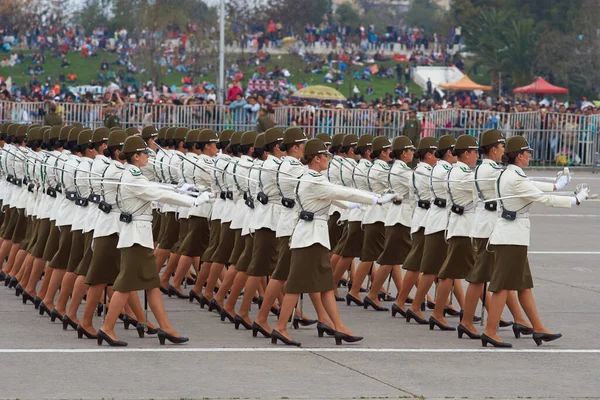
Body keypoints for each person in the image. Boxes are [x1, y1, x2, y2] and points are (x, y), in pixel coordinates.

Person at [271, 139, 391, 346]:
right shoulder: (315, 180)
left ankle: (339, 326)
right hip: (308, 239)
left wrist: (355, 205)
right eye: (325, 156)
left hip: (314, 238)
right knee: (295, 285)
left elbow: (336, 197)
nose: (328, 159)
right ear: (316, 158)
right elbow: (340, 191)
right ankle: (280, 327)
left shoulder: (310, 178)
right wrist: (374, 199)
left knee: (326, 285)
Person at [97, 135, 207, 346]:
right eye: (144, 153)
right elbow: (157, 193)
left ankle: (166, 328)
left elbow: (157, 189)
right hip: (136, 237)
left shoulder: (133, 174)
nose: (148, 156)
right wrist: (193, 202)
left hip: (140, 235)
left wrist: (184, 191)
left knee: (152, 284)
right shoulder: (133, 177)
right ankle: (107, 328)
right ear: (135, 156)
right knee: (124, 285)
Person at [482, 136, 588, 348]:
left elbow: (532, 186)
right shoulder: (515, 178)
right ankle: (490, 331)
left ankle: (538, 328)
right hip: (511, 238)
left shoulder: (510, 174)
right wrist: (574, 200)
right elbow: (542, 198)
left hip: (513, 236)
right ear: (520, 156)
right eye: (527, 152)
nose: (530, 155)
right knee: (502, 287)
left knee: (523, 285)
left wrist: (557, 186)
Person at [462, 129, 529, 339]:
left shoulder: (488, 167)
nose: (504, 151)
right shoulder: (491, 170)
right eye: (502, 148)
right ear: (493, 149)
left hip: (489, 226)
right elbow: (515, 183)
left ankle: (519, 318)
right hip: (488, 228)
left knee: (500, 276)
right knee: (480, 277)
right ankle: (466, 322)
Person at [429, 134, 480, 332]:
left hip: (458, 226)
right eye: (475, 152)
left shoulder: (453, 170)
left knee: (452, 273)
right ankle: (440, 314)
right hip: (463, 228)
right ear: (465, 153)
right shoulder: (460, 173)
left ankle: (447, 313)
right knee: (454, 273)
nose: (477, 156)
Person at [406, 135, 458, 324]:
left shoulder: (439, 168)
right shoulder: (443, 170)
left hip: (438, 220)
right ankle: (417, 307)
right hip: (439, 222)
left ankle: (442, 308)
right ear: (450, 152)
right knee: (432, 270)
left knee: (445, 270)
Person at [367, 135, 416, 311]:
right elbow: (418, 186)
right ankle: (375, 295)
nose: (412, 154)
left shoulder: (397, 167)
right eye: (410, 150)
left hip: (397, 216)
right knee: (396, 260)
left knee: (394, 259)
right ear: (404, 153)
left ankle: (407, 297)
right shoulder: (402, 171)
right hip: (400, 218)